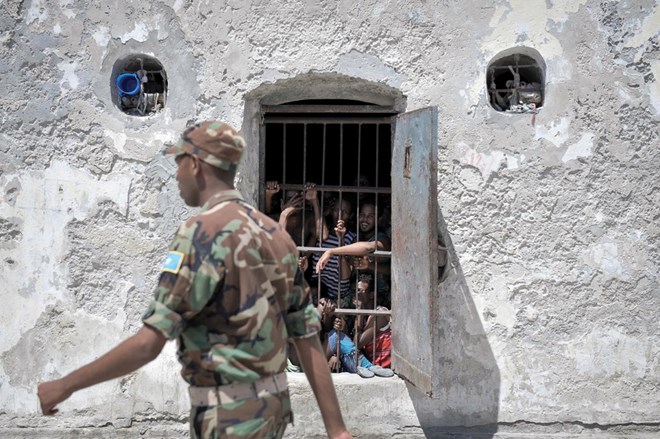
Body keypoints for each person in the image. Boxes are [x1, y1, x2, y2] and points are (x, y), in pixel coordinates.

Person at [37, 121, 353, 439]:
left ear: (196, 164)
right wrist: (337, 430)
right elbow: (308, 338)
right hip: (272, 414)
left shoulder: (201, 233)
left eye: (179, 163)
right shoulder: (275, 234)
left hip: (227, 419)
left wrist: (66, 385)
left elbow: (148, 344)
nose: (176, 174)